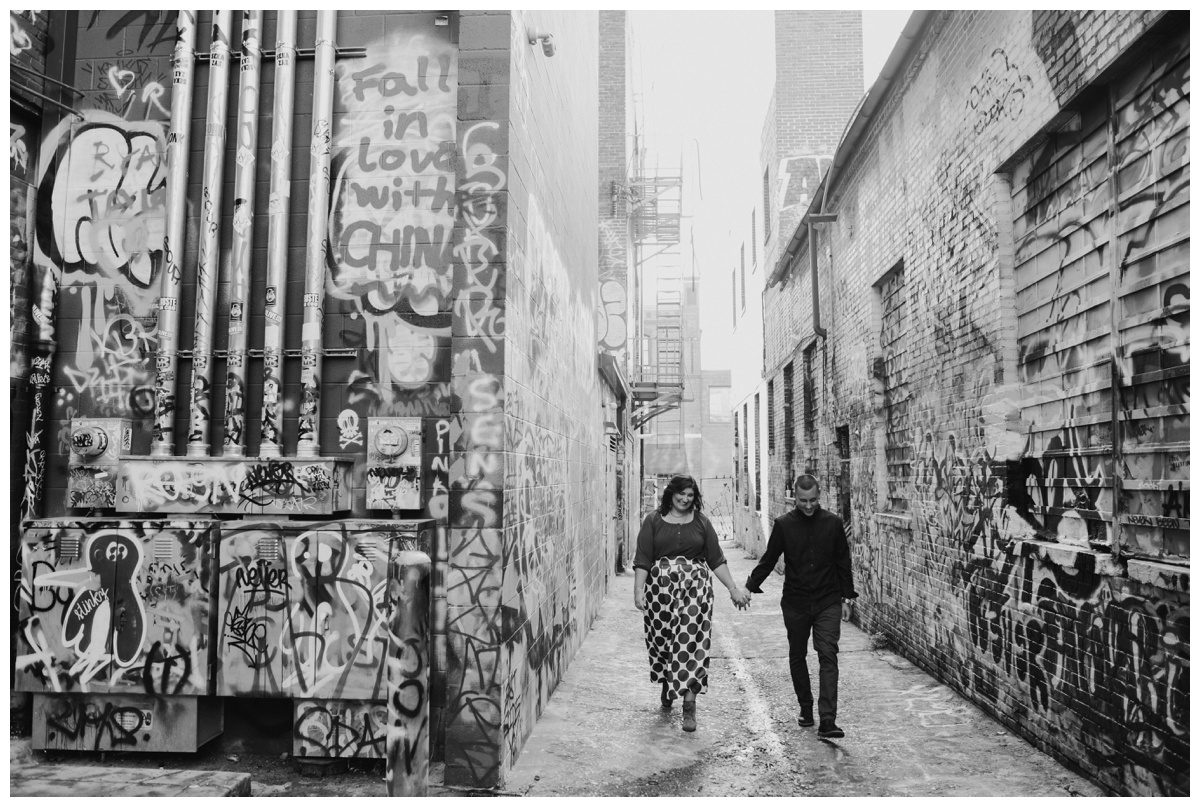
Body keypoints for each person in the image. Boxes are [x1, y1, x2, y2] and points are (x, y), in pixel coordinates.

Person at [634, 474, 751, 732]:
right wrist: (638, 590)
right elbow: (643, 558)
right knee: (663, 641)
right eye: (682, 494)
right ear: (671, 493)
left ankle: (689, 706)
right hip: (659, 593)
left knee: (692, 642)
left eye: (690, 495)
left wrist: (732, 588)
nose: (686, 499)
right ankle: (668, 680)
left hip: (695, 591)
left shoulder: (701, 523)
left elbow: (716, 559)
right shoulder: (653, 521)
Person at [745, 474, 857, 739]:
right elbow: (770, 558)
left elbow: (843, 562)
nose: (808, 506)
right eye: (803, 501)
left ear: (820, 496)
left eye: (814, 500)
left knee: (828, 654)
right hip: (795, 602)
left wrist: (847, 598)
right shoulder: (784, 525)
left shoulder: (832, 523)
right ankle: (806, 709)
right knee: (797, 654)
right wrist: (749, 587)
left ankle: (828, 721)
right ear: (795, 497)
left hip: (827, 600)